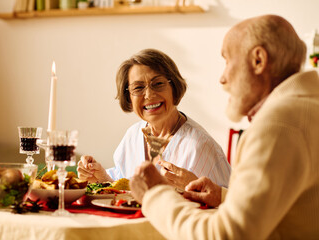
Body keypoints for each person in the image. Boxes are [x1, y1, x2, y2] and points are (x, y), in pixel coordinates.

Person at [129, 15, 319, 239]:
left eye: (227, 61)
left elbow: (227, 236)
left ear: (258, 60)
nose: (222, 78)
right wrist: (223, 196)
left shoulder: (278, 123)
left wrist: (155, 195)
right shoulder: (306, 108)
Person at [77, 48, 231, 189]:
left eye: (158, 84)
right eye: (138, 88)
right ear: (128, 97)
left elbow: (233, 206)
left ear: (174, 88)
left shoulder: (200, 146)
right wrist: (102, 177)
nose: (149, 95)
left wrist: (195, 189)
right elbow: (123, 186)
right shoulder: (133, 135)